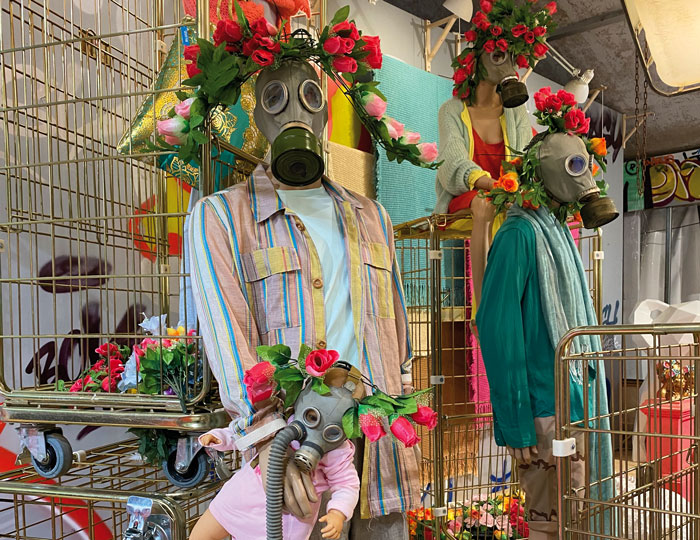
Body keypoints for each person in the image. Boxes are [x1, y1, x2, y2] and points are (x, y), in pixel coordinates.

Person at [188, 58, 419, 539]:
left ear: (325, 113)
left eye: (311, 96)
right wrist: (272, 440)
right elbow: (231, 344)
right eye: (275, 97)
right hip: (298, 452)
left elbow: (398, 339)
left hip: (379, 452)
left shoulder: (372, 215)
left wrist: (403, 431)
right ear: (258, 117)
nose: (295, 109)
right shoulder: (222, 218)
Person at [476, 87, 617, 540]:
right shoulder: (519, 234)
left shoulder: (556, 231)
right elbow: (497, 332)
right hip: (543, 410)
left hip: (574, 404)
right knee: (549, 523)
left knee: (574, 513)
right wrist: (516, 425)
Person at [435, 0, 557, 310]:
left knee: (536, 219)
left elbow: (527, 156)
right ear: (477, 58)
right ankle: (484, 308)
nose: (509, 66)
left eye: (514, 58)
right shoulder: (452, 110)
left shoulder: (514, 112)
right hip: (468, 196)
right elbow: (452, 162)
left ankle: (531, 303)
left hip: (508, 194)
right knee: (485, 204)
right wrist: (490, 184)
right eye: (501, 55)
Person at [190, 421, 360, 540]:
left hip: (283, 516)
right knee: (201, 534)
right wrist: (221, 437)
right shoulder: (290, 415)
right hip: (242, 495)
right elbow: (252, 429)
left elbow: (347, 485)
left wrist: (337, 512)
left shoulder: (337, 448)